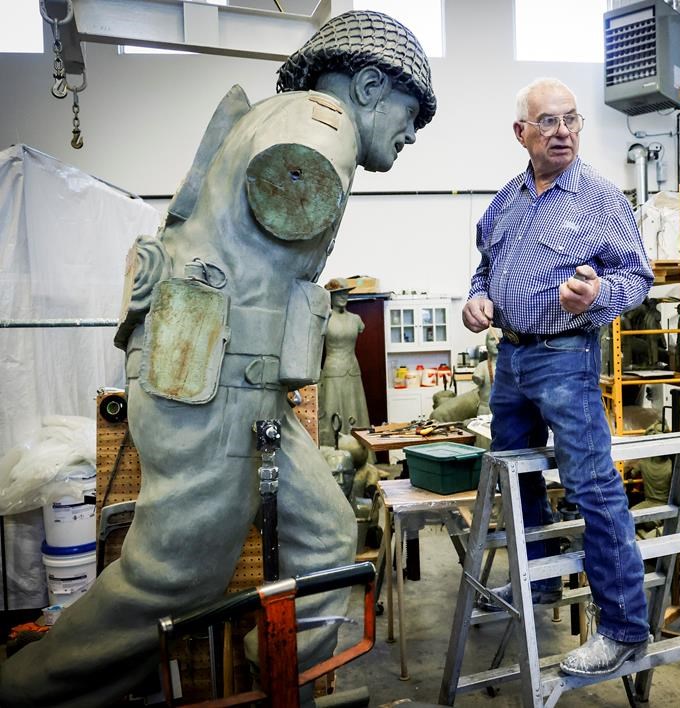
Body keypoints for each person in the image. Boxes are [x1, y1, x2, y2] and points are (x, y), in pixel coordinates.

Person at [0, 11, 435, 707]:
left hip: (242, 384)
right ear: (369, 85)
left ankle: (276, 678)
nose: (412, 135)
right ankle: (25, 691)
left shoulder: (273, 118)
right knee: (173, 579)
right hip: (215, 381)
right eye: (411, 114)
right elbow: (283, 196)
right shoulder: (321, 128)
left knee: (326, 537)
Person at [462, 77, 654, 677]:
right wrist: (476, 299)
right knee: (515, 477)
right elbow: (484, 269)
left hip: (566, 357)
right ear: (521, 132)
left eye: (571, 119)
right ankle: (540, 582)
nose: (563, 131)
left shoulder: (600, 197)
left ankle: (624, 628)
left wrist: (596, 296)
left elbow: (637, 279)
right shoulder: (506, 201)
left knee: (592, 485)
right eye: (548, 121)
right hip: (511, 359)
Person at [318, 279, 370, 446]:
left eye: (345, 293)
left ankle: (361, 452)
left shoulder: (356, 319)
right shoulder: (325, 319)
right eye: (338, 294)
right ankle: (333, 451)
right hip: (333, 370)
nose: (343, 297)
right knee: (332, 411)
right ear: (330, 296)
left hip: (352, 369)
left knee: (356, 411)